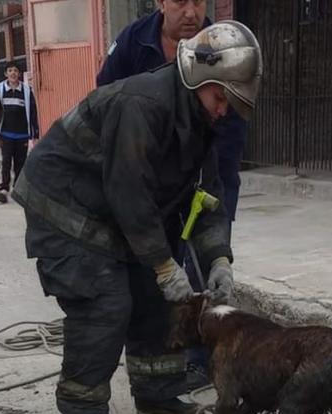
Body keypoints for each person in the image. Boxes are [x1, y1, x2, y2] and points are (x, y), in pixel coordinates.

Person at [13, 21, 261, 414]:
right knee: (105, 301)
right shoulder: (143, 105)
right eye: (221, 98)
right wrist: (165, 264)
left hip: (115, 211)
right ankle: (82, 410)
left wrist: (219, 258)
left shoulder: (200, 122)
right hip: (65, 204)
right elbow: (129, 193)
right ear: (203, 79)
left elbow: (208, 200)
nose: (224, 110)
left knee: (155, 296)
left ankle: (156, 390)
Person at [97, 0, 249, 391]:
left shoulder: (221, 48)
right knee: (157, 274)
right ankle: (163, 363)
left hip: (205, 173)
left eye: (199, 1)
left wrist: (220, 251)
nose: (190, 12)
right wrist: (161, 261)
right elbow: (107, 104)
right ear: (162, 2)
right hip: (144, 179)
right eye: (180, 1)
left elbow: (230, 119)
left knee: (206, 268)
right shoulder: (133, 43)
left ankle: (200, 361)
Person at [0, 60, 39, 204]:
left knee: (20, 163)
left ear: (19, 74)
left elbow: (33, 112)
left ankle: (18, 189)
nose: (13, 73)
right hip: (6, 134)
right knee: (6, 162)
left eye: (15, 71)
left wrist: (35, 133)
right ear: (6, 74)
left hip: (22, 134)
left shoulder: (27, 92)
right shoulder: (0, 90)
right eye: (10, 71)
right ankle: (3, 190)